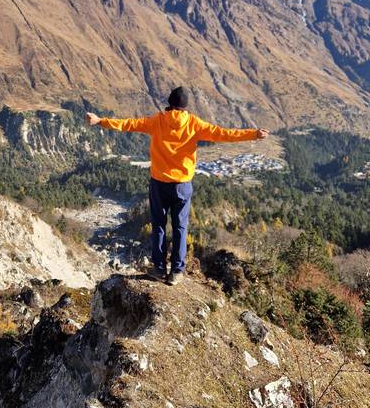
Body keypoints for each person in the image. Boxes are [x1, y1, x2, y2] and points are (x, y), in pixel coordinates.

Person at [86, 86, 269, 285]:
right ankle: (176, 272)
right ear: (185, 106)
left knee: (159, 226)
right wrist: (253, 134)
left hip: (159, 183)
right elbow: (223, 134)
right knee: (180, 227)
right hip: (182, 184)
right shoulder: (193, 123)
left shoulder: (157, 121)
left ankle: (158, 268)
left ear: (169, 103)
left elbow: (128, 124)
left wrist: (100, 121)